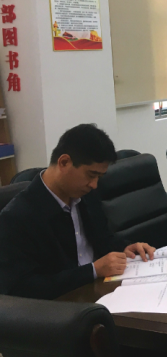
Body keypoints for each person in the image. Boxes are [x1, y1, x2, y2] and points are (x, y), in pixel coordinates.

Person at [0, 124, 156, 300]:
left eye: (99, 177)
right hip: (62, 305)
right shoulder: (17, 217)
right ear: (64, 162)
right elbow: (21, 289)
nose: (94, 184)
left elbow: (104, 239)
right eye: (91, 175)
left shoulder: (85, 195)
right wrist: (93, 271)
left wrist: (125, 248)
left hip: (102, 290)